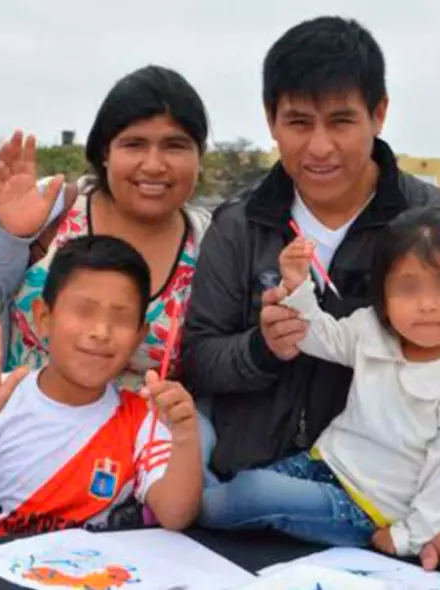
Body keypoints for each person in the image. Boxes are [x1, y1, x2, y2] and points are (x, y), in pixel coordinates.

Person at [183, 14, 440, 567]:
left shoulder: (428, 223)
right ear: (270, 121)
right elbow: (199, 357)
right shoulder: (239, 225)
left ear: (379, 113)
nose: (320, 147)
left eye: (341, 121)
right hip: (245, 503)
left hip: (388, 524)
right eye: (298, 122)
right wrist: (261, 349)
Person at [200, 206, 440, 568]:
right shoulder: (372, 330)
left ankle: (188, 502)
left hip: (368, 508)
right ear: (382, 294)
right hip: (322, 463)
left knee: (255, 492)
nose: (428, 305)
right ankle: (191, 486)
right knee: (249, 483)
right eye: (407, 288)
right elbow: (316, 336)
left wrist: (409, 537)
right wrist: (298, 284)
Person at [0, 65, 211, 401]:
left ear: (199, 156)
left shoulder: (211, 246)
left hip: (142, 434)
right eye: (134, 144)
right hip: (18, 428)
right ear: (104, 153)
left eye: (175, 146)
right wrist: (8, 237)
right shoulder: (52, 208)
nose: (153, 165)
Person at [0, 235, 202, 539]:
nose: (101, 332)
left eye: (121, 318)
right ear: (44, 317)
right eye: (84, 311)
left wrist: (185, 434)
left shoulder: (142, 419)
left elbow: (176, 514)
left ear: (140, 335)